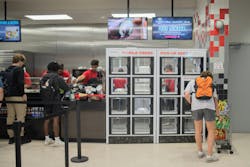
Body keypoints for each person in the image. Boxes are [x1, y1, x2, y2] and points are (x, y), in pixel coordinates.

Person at [184, 71, 219, 163]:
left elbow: (186, 94)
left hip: (196, 108)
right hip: (209, 108)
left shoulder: (193, 82)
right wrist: (218, 112)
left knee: (198, 130)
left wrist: (192, 103)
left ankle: (200, 152)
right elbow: (215, 99)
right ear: (210, 77)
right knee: (211, 131)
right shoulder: (211, 83)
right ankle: (209, 155)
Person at [41, 62, 69, 145]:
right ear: (57, 69)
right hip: (55, 100)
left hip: (45, 100)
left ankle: (47, 139)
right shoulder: (57, 77)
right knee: (55, 119)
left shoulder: (44, 77)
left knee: (46, 119)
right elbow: (66, 88)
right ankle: (57, 139)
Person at [4, 53, 28, 144]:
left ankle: (11, 137)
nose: (23, 64)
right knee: (20, 116)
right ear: (20, 61)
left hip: (8, 96)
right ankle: (20, 137)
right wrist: (23, 94)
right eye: (23, 62)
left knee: (10, 116)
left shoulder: (7, 69)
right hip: (18, 96)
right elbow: (20, 83)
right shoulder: (19, 70)